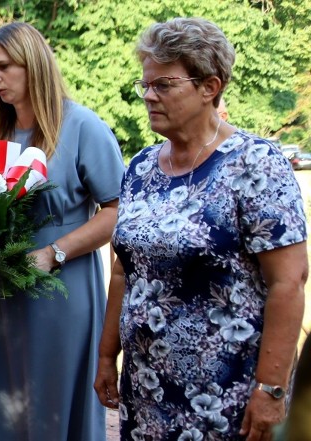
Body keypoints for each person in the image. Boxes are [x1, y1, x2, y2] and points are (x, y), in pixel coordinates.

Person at [94, 17, 308, 440]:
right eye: (146, 85)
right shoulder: (140, 167)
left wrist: (271, 388)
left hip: (227, 392)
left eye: (164, 85)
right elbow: (123, 270)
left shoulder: (254, 164)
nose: (149, 97)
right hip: (146, 386)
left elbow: (289, 281)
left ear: (210, 87)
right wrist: (106, 356)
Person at [0, 22, 124, 441]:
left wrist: (54, 251)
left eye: (4, 66)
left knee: (54, 405)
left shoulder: (82, 126)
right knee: (7, 403)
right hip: (7, 293)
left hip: (63, 285)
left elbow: (117, 210)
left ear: (34, 63)